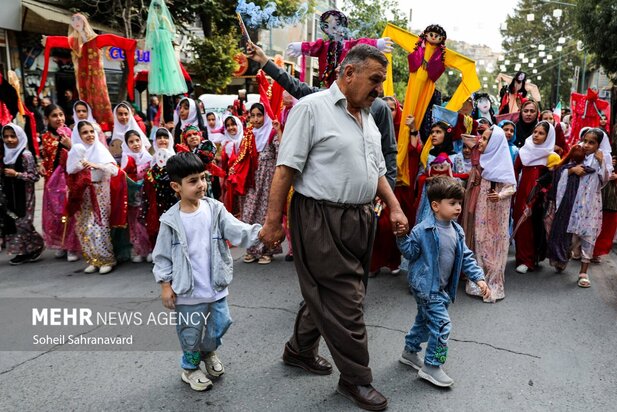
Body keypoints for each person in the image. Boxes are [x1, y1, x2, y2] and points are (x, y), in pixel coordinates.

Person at [259, 45, 408, 411]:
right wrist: (272, 221)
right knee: (347, 300)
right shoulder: (311, 109)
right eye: (374, 80)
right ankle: (356, 379)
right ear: (348, 74)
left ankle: (298, 350)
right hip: (319, 217)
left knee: (334, 291)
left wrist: (395, 206)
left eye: (381, 82)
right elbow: (285, 169)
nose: (379, 89)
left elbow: (376, 170)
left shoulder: (369, 115)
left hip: (360, 218)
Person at [152, 152, 262, 392]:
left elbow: (238, 230)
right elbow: (161, 256)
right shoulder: (170, 220)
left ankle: (208, 352)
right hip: (187, 292)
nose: (201, 184)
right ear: (176, 186)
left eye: (203, 178)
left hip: (215, 286)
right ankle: (190, 369)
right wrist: (165, 285)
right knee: (190, 333)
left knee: (221, 323)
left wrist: (261, 234)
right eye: (193, 181)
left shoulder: (215, 209)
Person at [397, 176, 489, 387]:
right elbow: (410, 253)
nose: (458, 207)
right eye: (452, 203)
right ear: (436, 206)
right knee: (442, 325)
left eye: (459, 203)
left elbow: (466, 256)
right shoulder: (422, 230)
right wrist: (402, 237)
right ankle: (431, 366)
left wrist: (478, 278)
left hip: (440, 288)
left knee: (424, 322)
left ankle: (409, 352)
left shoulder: (457, 230)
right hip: (426, 288)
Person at [464, 126, 516, 302]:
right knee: (480, 240)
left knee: (495, 244)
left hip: (498, 213)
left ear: (495, 143)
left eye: (486, 139)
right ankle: (479, 282)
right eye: (483, 138)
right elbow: (467, 139)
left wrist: (500, 195)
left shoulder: (503, 162)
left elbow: (511, 186)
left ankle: (494, 283)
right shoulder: (481, 162)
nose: (481, 141)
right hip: (481, 208)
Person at [66, 121, 119, 274]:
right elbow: (70, 170)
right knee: (83, 227)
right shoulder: (76, 152)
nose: (89, 135)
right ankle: (93, 259)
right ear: (78, 135)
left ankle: (106, 259)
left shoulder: (100, 149)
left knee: (99, 226)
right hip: (82, 194)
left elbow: (113, 169)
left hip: (99, 192)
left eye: (91, 131)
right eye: (85, 132)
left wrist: (96, 165)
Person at [566, 128, 611, 287]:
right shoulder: (577, 154)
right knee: (572, 234)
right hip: (575, 202)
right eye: (585, 141)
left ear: (599, 145)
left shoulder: (602, 158)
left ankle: (583, 272)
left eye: (591, 143)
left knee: (589, 235)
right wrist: (573, 169)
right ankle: (566, 254)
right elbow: (563, 170)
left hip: (592, 203)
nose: (586, 145)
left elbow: (604, 180)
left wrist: (601, 162)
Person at [513, 121, 559, 273]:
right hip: (522, 195)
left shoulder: (551, 156)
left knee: (536, 227)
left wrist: (543, 192)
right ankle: (523, 258)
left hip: (540, 196)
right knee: (522, 225)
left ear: (548, 136)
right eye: (535, 132)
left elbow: (553, 178)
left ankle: (532, 258)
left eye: (541, 133)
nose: (536, 135)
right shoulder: (524, 151)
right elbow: (514, 171)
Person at [241, 103, 282, 265]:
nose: (256, 119)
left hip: (268, 180)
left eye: (259, 115)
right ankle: (252, 250)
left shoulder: (271, 133)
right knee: (249, 213)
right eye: (253, 115)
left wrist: (279, 131)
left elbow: (282, 152)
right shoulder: (249, 134)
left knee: (266, 215)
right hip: (252, 179)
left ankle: (267, 251)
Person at [40, 104, 81, 261]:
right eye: (54, 116)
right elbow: (45, 158)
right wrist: (41, 166)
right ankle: (61, 244)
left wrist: (70, 146)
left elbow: (80, 154)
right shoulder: (45, 137)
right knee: (55, 214)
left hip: (67, 178)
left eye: (61, 114)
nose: (59, 118)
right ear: (47, 119)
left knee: (69, 212)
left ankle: (72, 247)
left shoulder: (71, 134)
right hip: (51, 181)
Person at [0, 123, 45, 264]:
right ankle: (23, 252)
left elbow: (34, 176)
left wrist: (17, 174)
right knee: (14, 223)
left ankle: (36, 245)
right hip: (10, 196)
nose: (9, 140)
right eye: (6, 136)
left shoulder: (26, 155)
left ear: (20, 137)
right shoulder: (5, 155)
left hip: (26, 196)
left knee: (23, 223)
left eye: (13, 136)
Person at [122, 130, 153, 263]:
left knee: (146, 221)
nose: (135, 144)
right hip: (132, 196)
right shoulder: (126, 159)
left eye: (137, 140)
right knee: (134, 223)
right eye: (131, 142)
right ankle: (140, 250)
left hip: (146, 195)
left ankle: (151, 249)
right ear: (126, 144)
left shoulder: (149, 158)